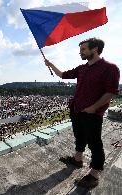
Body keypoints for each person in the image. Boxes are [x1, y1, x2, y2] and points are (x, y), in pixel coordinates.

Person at [45, 37, 120, 188]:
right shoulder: (82, 68)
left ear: (95, 49)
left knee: (95, 143)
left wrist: (93, 108)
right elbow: (62, 75)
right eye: (80, 50)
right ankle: (77, 159)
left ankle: (94, 175)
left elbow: (110, 93)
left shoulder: (110, 68)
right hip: (77, 109)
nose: (80, 52)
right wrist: (50, 64)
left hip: (92, 114)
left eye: (83, 49)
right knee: (79, 136)